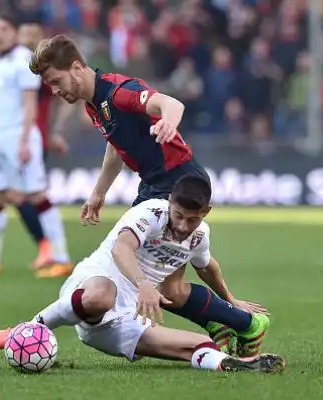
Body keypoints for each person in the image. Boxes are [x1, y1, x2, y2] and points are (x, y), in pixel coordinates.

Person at [27, 34, 267, 355]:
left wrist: (168, 123)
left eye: (56, 82)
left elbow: (171, 103)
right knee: (171, 287)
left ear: (75, 67)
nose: (55, 91)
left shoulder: (119, 93)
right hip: (154, 184)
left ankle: (243, 323)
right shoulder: (95, 104)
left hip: (178, 181)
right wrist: (99, 192)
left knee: (142, 270)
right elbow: (117, 144)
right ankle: (227, 321)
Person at [0, 176, 285, 373]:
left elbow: (207, 266)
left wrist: (230, 301)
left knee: (200, 345)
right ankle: (28, 327)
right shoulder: (150, 212)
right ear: (170, 205)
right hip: (94, 284)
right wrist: (143, 285)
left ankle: (235, 365)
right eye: (178, 215)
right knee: (102, 294)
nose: (181, 225)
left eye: (191, 219)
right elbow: (121, 249)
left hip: (124, 319)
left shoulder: (199, 235)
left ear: (205, 213)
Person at [0, 14, 72, 277]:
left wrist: (24, 141)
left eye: (2, 29)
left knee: (37, 195)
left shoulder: (23, 60)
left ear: (13, 31)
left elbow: (30, 104)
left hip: (19, 136)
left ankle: (62, 258)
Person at [16, 21, 79, 278]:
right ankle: (47, 248)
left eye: (31, 35)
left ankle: (56, 253)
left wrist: (56, 132)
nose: (25, 39)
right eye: (23, 34)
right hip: (18, 140)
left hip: (33, 140)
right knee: (16, 196)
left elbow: (67, 99)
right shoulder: (17, 69)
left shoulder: (39, 73)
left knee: (32, 195)